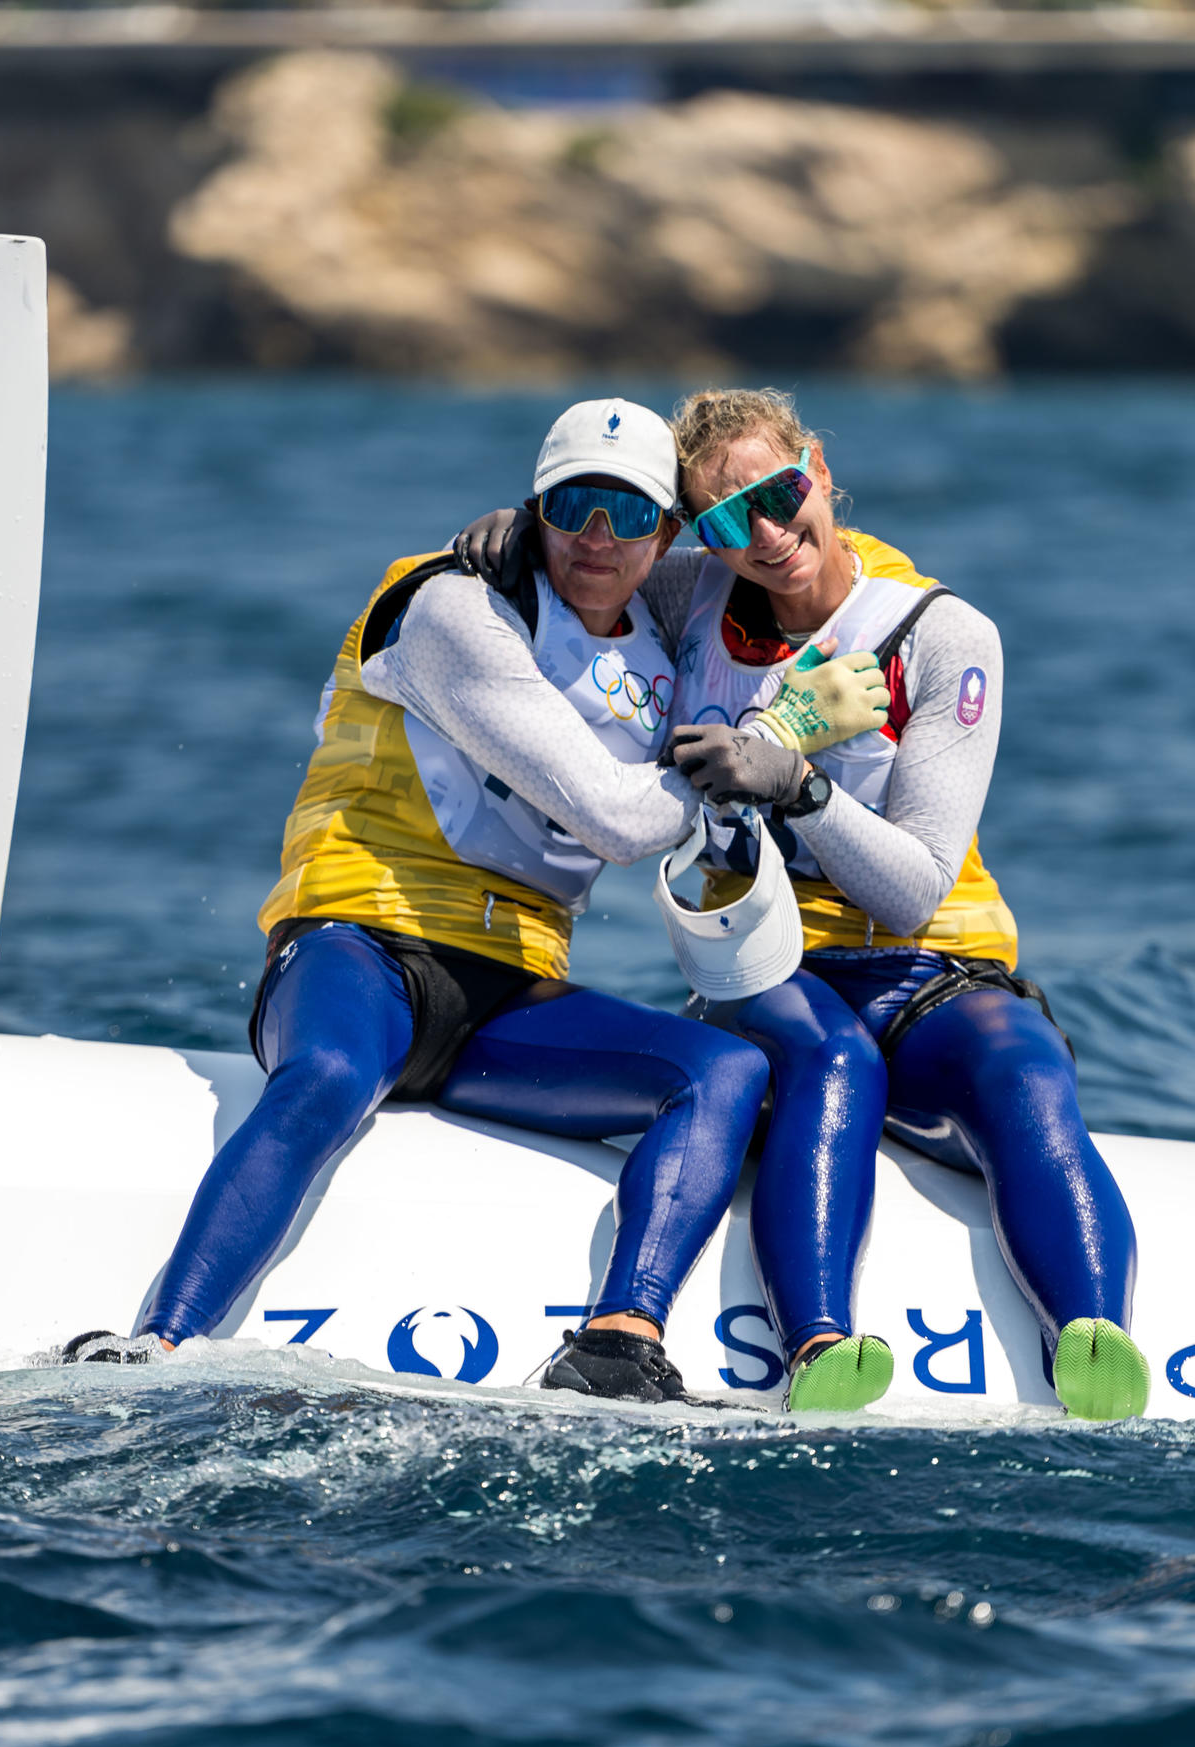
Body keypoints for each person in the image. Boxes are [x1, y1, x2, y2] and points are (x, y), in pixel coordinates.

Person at [456, 388, 1147, 1419]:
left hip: (934, 965)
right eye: (729, 521)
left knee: (1023, 1063)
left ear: (816, 467)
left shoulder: (941, 634)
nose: (768, 535)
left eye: (781, 495)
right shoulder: (690, 593)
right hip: (772, 969)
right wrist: (516, 536)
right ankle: (821, 1345)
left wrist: (800, 785)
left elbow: (913, 890)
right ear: (702, 535)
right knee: (833, 1063)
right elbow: (595, 558)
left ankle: (1093, 1342)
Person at [98, 399, 776, 1405]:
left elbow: (796, 567)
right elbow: (620, 824)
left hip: (505, 998)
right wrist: (737, 764)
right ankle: (152, 1342)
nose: (598, 537)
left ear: (666, 533)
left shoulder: (663, 621)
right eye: (573, 505)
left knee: (723, 1070)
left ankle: (616, 1342)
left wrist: (786, 715)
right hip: (358, 941)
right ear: (534, 505)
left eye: (629, 514)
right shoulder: (450, 610)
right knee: (327, 1073)